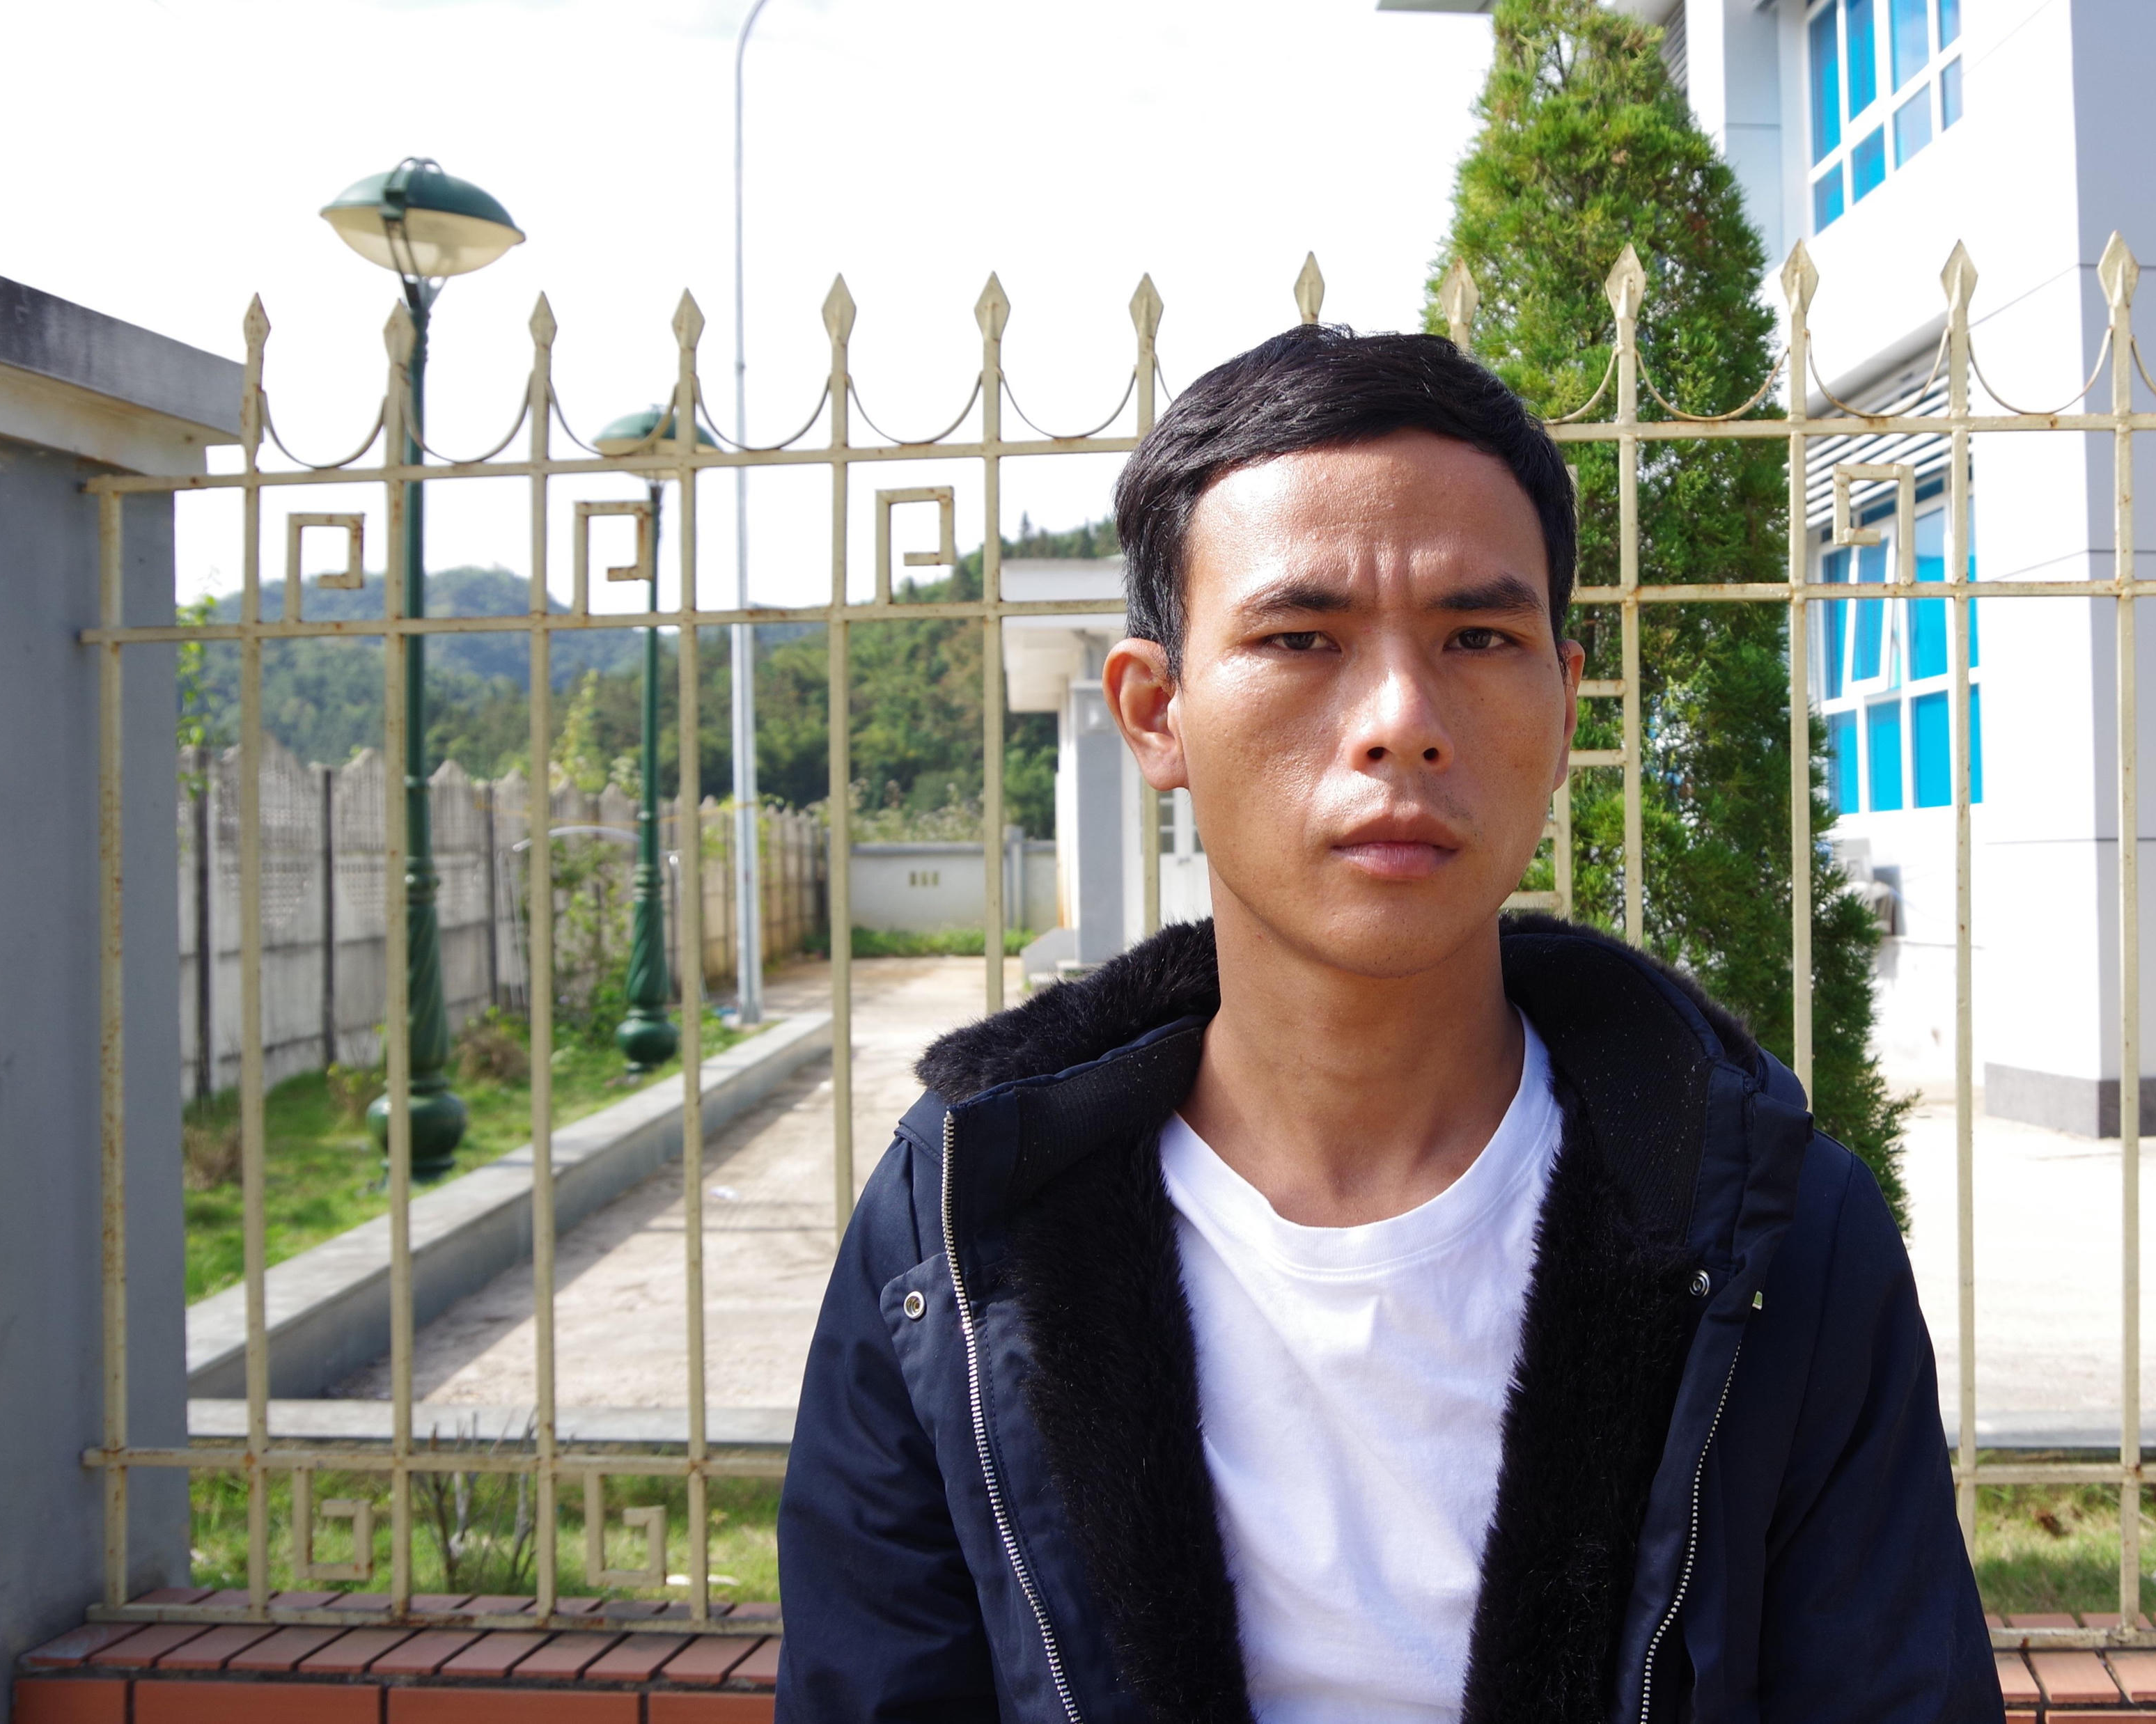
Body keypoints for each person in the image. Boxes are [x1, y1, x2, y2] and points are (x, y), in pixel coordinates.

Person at [776, 325, 1997, 1724]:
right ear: (1157, 712)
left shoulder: (1777, 1233)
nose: (1403, 721)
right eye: (1301, 639)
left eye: (1479, 638)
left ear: (1563, 702)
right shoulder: (959, 1226)